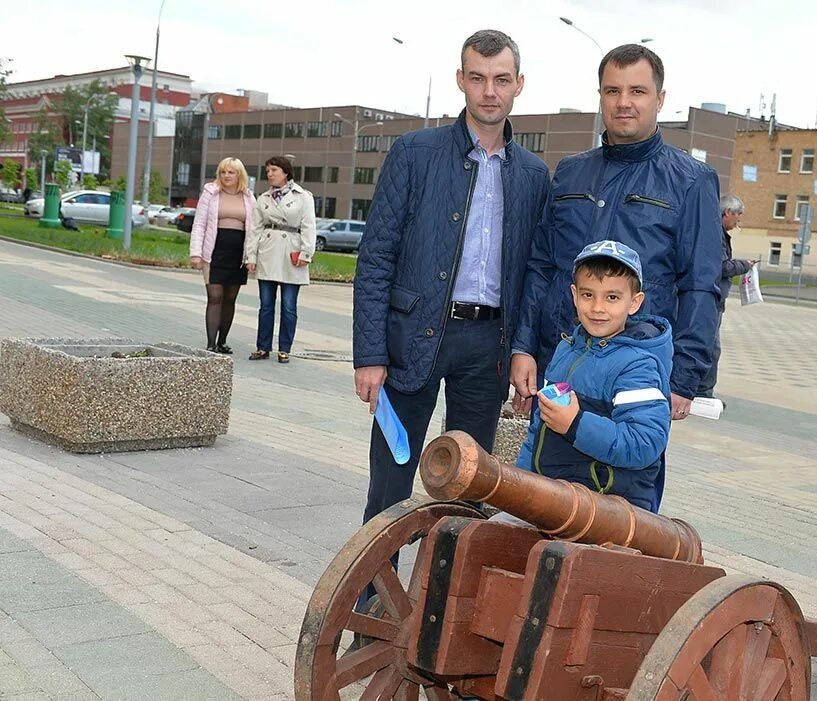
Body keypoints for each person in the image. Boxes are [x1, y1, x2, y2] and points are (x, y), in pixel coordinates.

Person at [352, 30, 550, 526]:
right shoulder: (415, 153)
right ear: (460, 80)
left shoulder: (533, 175)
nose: (489, 91)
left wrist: (527, 352)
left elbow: (534, 277)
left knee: (468, 488)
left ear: (519, 84)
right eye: (478, 78)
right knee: (391, 481)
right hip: (411, 339)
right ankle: (376, 599)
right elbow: (376, 257)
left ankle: (445, 600)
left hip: (488, 347)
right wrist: (370, 355)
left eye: (501, 79)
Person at [510, 44, 723, 425]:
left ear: (660, 99)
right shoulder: (570, 173)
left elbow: (701, 286)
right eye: (613, 91)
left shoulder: (691, 181)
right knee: (545, 477)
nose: (624, 102)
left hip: (636, 373)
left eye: (637, 91)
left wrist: (684, 378)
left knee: (622, 481)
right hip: (560, 361)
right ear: (601, 98)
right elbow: (541, 267)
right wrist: (523, 347)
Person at [515, 240, 671, 512]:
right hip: (555, 495)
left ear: (634, 303)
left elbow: (645, 443)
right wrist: (521, 483)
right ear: (574, 295)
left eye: (612, 297)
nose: (598, 307)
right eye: (588, 295)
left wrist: (575, 425)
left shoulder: (638, 365)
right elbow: (539, 428)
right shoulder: (566, 350)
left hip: (609, 507)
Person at [245, 155, 316, 364]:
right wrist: (251, 256)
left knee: (288, 306)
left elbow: (309, 226)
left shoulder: (303, 197)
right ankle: (262, 347)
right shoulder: (264, 198)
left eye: (274, 170)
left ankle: (285, 348)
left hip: (291, 253)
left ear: (286, 172)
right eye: (267, 171)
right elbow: (255, 229)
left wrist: (306, 253)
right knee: (265, 305)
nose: (270, 174)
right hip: (267, 251)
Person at [188, 157, 256, 353]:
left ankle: (222, 341)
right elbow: (199, 224)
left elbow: (254, 228)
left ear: (239, 175)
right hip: (214, 251)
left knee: (230, 298)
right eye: (223, 172)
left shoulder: (249, 197)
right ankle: (210, 344)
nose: (226, 176)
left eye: (231, 172)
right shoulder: (210, 193)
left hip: (238, 254)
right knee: (215, 296)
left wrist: (252, 256)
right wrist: (196, 254)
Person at [695, 194, 754, 399]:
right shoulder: (715, 234)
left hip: (711, 297)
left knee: (709, 346)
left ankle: (702, 390)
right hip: (709, 298)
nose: (739, 220)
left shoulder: (714, 231)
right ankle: (703, 392)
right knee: (710, 347)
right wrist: (744, 266)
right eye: (738, 215)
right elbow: (720, 266)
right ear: (727, 212)